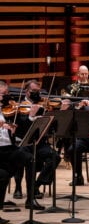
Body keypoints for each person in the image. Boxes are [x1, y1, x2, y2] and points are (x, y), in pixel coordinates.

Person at [13, 79, 61, 210]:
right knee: (30, 161)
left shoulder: (42, 104)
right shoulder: (18, 106)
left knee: (55, 157)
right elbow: (20, 129)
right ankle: (29, 198)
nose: (36, 94)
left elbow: (52, 126)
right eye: (33, 91)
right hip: (23, 143)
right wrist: (31, 116)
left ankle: (36, 185)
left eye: (38, 91)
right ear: (26, 91)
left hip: (39, 143)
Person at [0, 80, 32, 222]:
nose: (4, 97)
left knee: (29, 158)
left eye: (5, 94)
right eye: (2, 94)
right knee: (3, 176)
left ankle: (31, 196)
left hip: (8, 147)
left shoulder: (3, 109)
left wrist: (10, 128)